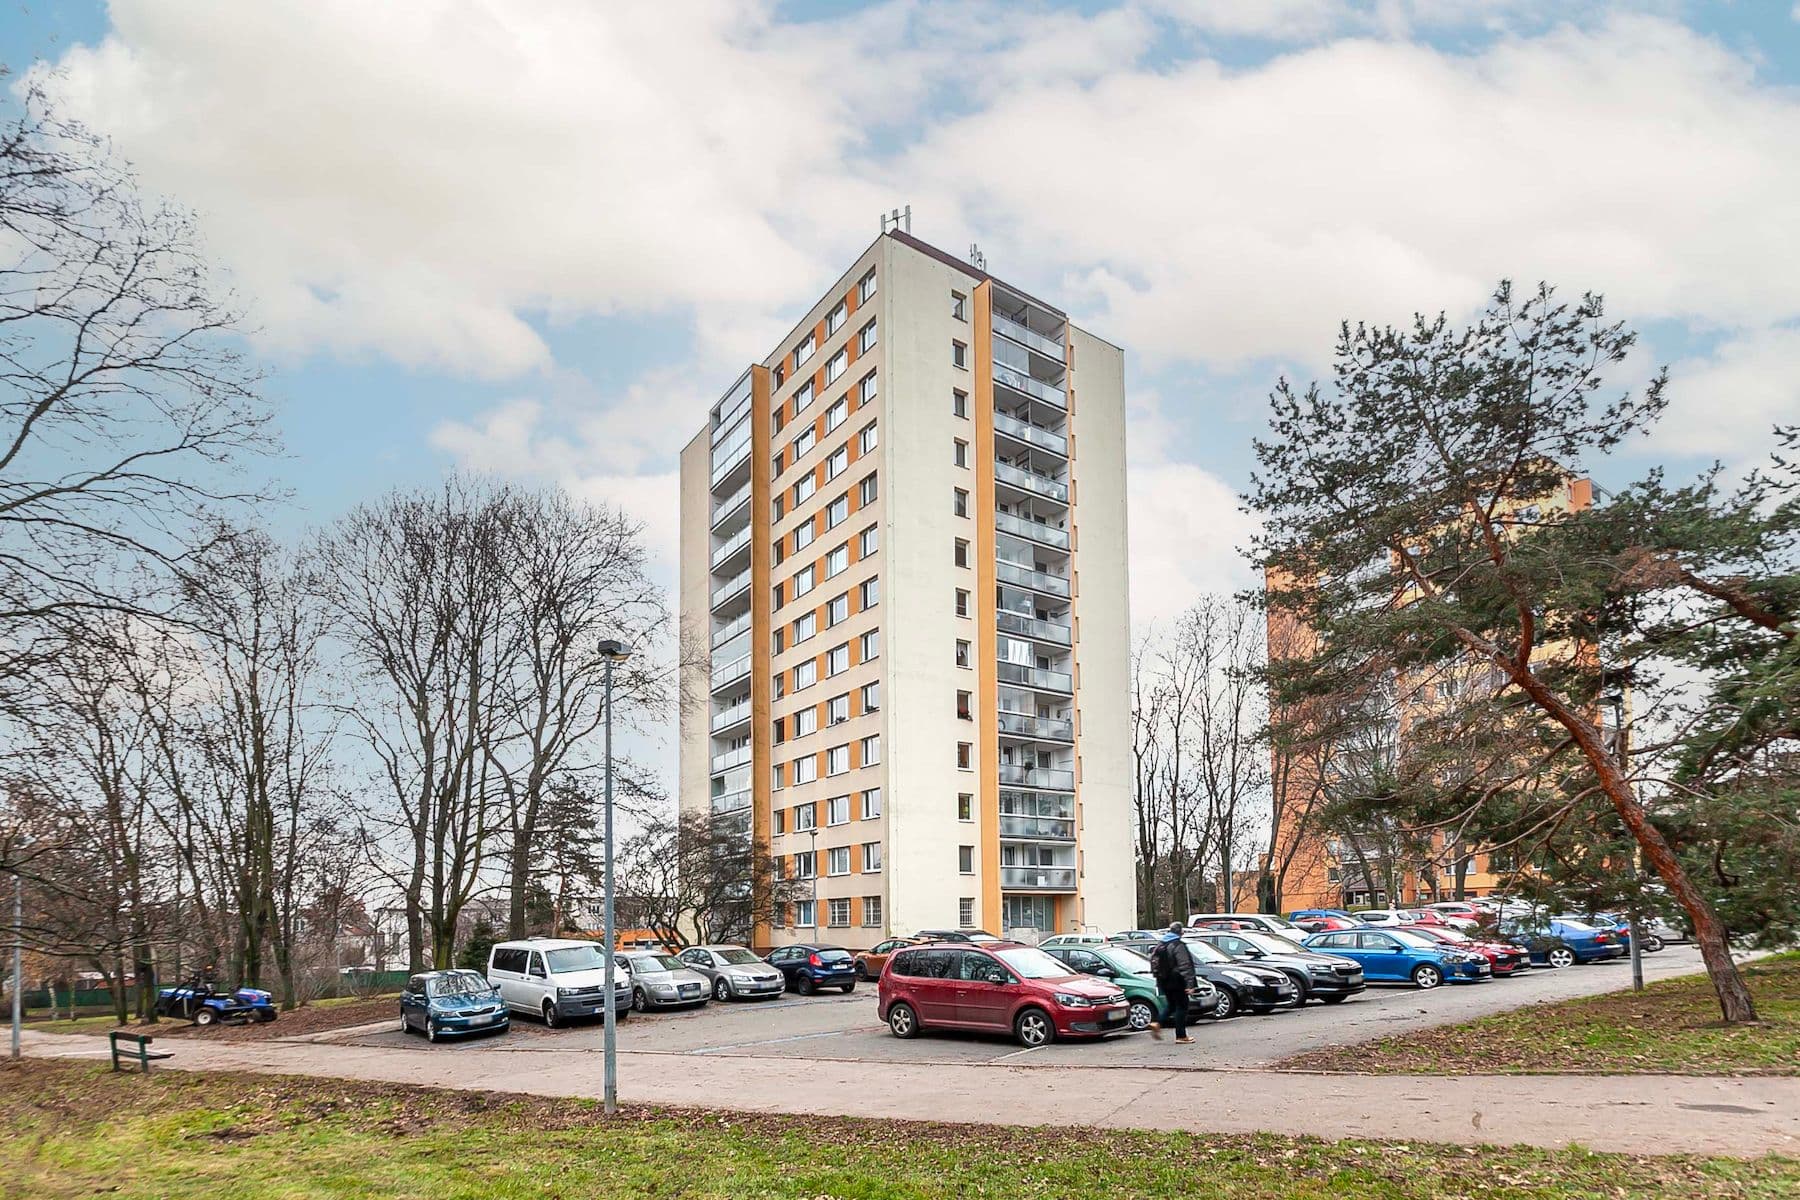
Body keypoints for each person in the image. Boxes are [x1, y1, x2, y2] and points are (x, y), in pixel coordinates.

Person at [1148, 922, 1196, 1044]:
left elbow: (1153, 963)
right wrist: (1190, 984)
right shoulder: (1178, 945)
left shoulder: (1161, 944)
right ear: (1181, 932)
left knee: (1172, 1005)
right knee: (1182, 1006)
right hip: (1177, 980)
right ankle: (1181, 1036)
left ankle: (1157, 1022)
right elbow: (1185, 965)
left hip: (1163, 980)